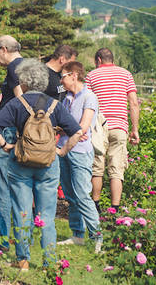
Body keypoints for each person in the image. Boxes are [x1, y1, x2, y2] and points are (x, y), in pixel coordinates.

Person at [0, 59, 83, 270]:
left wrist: (6, 145)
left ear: (24, 81)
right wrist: (62, 151)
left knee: (22, 211)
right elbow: (77, 131)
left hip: (21, 162)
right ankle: (49, 261)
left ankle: (22, 259)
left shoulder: (16, 103)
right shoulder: (55, 105)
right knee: (47, 214)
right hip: (49, 163)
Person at [85, 48, 139, 212]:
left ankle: (95, 206)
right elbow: (134, 103)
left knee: (97, 168)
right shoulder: (126, 74)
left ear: (99, 60)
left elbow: (86, 101)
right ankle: (115, 209)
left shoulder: (91, 76)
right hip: (120, 126)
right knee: (116, 169)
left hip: (99, 127)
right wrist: (135, 129)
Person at [57, 61, 103, 253]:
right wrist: (71, 129)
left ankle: (97, 237)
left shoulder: (89, 97)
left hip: (80, 153)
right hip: (63, 150)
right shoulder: (66, 97)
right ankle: (77, 235)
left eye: (63, 76)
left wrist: (73, 129)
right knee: (70, 195)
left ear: (74, 75)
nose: (61, 80)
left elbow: (83, 127)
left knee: (82, 195)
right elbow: (62, 124)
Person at [0, 35, 24, 249]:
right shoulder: (31, 65)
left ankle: (2, 239)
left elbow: (22, 99)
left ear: (3, 49)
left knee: (2, 186)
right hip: (24, 132)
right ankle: (23, 240)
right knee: (21, 187)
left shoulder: (14, 68)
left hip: (10, 131)